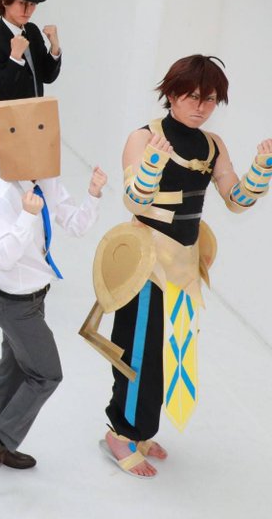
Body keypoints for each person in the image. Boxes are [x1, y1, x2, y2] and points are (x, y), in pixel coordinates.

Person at [88, 55, 271, 477]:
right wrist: (153, 163)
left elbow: (236, 200)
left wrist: (262, 169)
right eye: (192, 97)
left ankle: (141, 430)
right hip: (144, 261)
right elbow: (134, 201)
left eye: (210, 99)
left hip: (185, 263)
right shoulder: (144, 137)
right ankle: (121, 433)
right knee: (139, 349)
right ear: (171, 94)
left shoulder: (213, 144)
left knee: (173, 352)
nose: (201, 107)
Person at [0, 97, 104, 487]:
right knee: (46, 374)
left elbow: (74, 224)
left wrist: (92, 195)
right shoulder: (2, 196)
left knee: (13, 368)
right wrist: (26, 215)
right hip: (11, 303)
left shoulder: (47, 180)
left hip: (36, 296)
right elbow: (2, 258)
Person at [0, 0, 61, 282]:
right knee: (0, 195)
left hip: (37, 127)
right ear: (6, 1)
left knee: (33, 193)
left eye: (33, 4)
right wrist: (13, 57)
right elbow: (3, 89)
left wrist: (54, 48)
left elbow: (47, 76)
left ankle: (26, 253)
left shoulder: (33, 32)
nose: (28, 9)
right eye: (23, 3)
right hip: (9, 133)